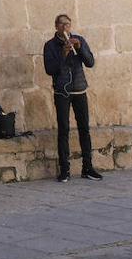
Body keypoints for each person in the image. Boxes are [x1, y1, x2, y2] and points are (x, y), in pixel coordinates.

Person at [42, 14, 103, 183]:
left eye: (67, 24)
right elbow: (50, 69)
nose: (65, 28)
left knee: (84, 129)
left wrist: (80, 47)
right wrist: (63, 53)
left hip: (79, 90)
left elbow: (90, 62)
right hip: (62, 92)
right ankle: (65, 170)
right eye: (61, 24)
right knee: (63, 130)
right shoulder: (50, 46)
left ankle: (88, 168)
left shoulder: (79, 39)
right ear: (56, 26)